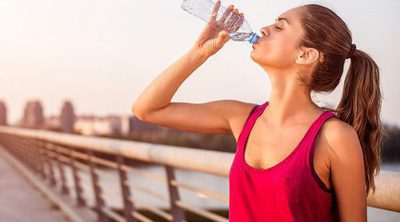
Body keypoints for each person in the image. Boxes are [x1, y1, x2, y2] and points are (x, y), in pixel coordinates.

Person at [132, 1, 385, 221]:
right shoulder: (240, 118)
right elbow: (147, 109)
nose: (264, 29)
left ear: (306, 55)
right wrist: (198, 54)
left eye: (279, 27)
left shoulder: (335, 137)